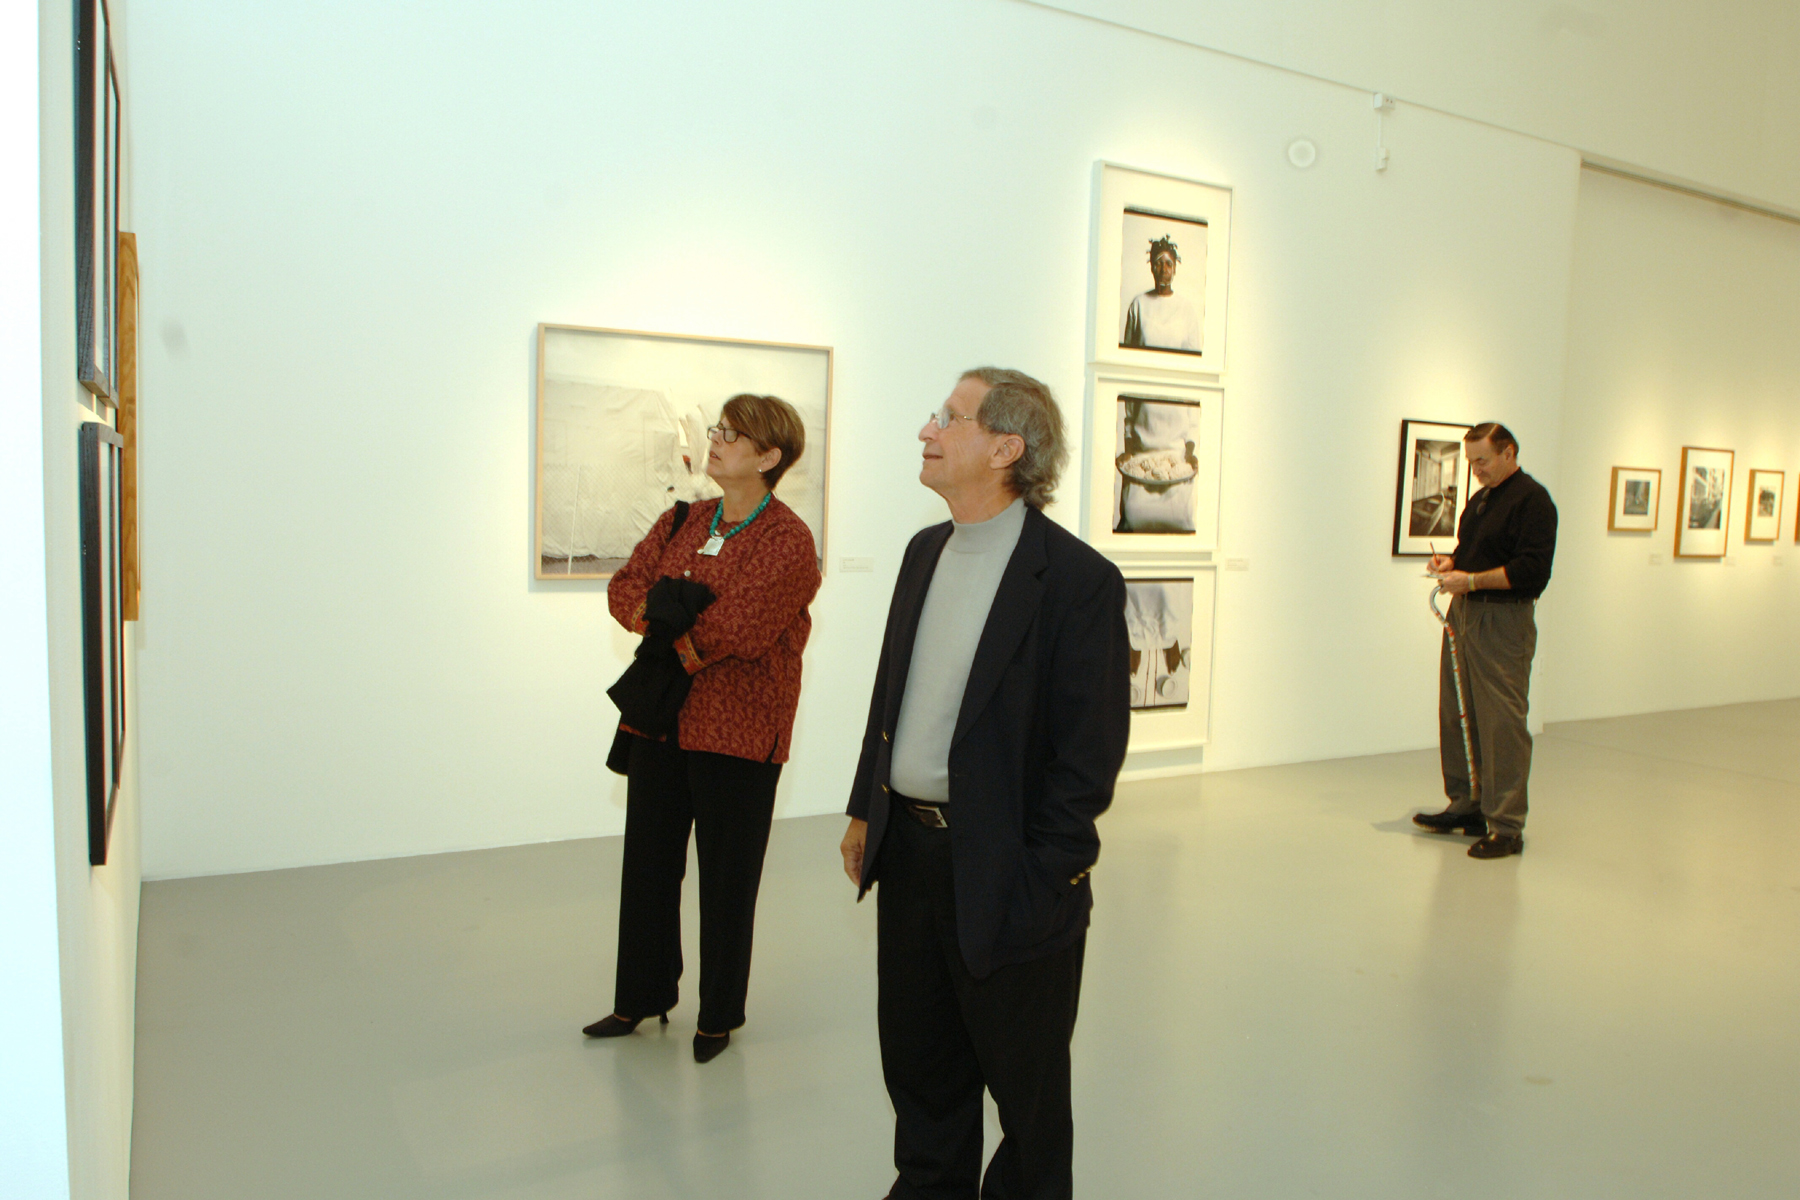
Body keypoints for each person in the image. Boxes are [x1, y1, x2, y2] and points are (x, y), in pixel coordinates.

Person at [840, 368, 1130, 1199]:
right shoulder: (923, 552)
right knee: (921, 1068)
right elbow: (891, 694)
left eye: (950, 417)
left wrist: (1046, 875)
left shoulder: (1075, 580)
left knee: (1026, 1092)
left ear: (1006, 449)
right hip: (910, 856)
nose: (927, 430)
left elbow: (1088, 757)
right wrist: (866, 810)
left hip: (1009, 868)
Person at [586, 393, 821, 1062]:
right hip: (660, 721)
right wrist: (671, 614)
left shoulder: (788, 540)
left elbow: (743, 626)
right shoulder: (682, 519)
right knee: (647, 869)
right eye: (719, 428)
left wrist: (674, 621)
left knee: (727, 881)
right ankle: (640, 996)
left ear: (769, 456)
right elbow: (625, 587)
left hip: (740, 730)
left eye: (733, 434)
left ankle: (717, 1015)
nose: (715, 440)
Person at [1415, 423, 1558, 859]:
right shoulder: (1481, 501)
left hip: (1503, 620)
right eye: (1471, 461)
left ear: (1508, 453)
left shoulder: (1534, 501)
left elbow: (1532, 572)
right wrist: (1452, 562)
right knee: (1458, 711)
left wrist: (1471, 580)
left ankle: (1507, 826)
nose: (1475, 470)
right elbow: (1474, 552)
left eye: (1482, 460)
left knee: (1501, 723)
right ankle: (1468, 804)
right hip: (1464, 613)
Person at [1120, 235, 1201, 352]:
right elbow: (1126, 352)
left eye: (1169, 264)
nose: (1163, 270)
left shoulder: (1186, 309)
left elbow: (1193, 355)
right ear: (1152, 268)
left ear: (1174, 269)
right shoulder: (1138, 305)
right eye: (1158, 263)